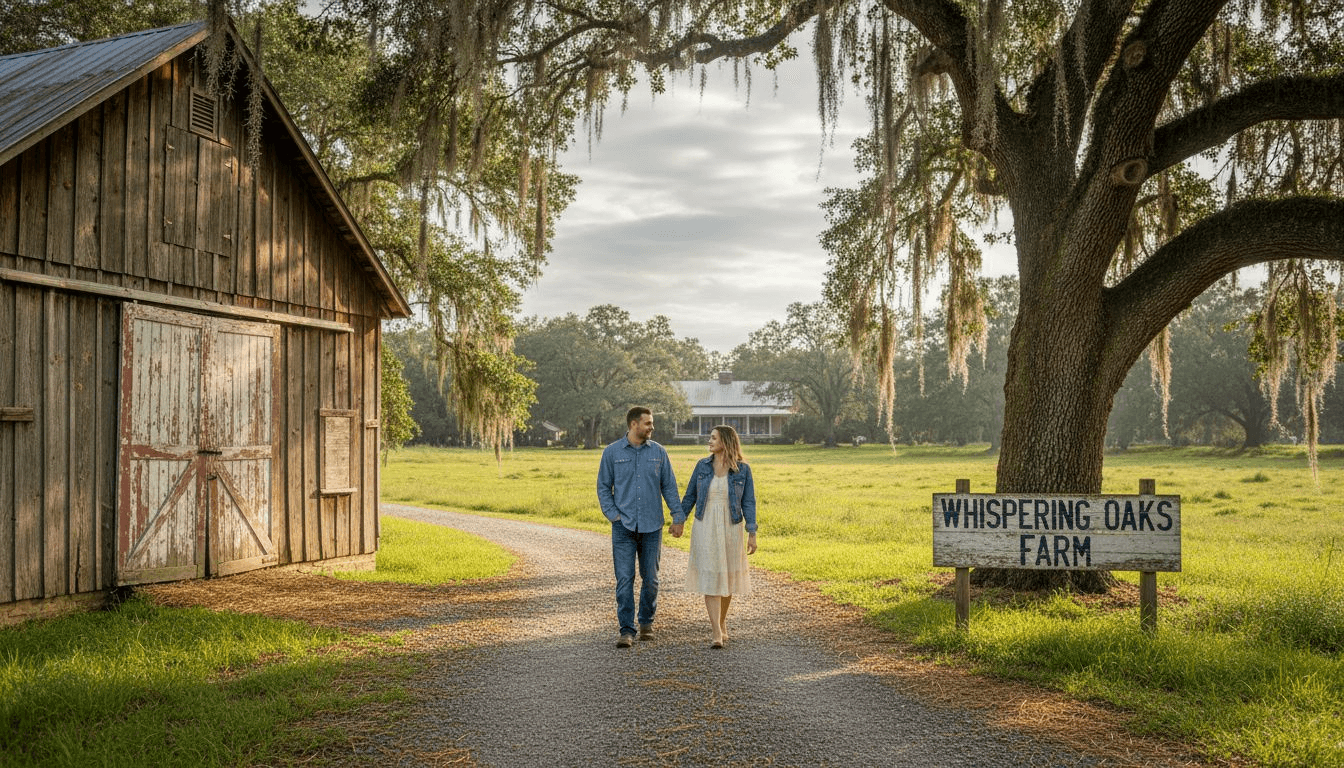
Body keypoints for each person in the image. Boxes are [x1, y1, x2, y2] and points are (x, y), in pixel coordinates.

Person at [597, 406, 681, 648]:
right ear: (634, 424)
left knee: (651, 579)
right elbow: (604, 487)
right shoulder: (612, 453)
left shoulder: (659, 452)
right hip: (623, 527)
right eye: (648, 423)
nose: (652, 427)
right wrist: (613, 515)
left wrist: (677, 516)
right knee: (624, 579)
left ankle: (646, 623)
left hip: (652, 525)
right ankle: (626, 630)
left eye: (651, 423)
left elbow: (669, 487)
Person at [671, 424, 757, 648]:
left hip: (731, 526)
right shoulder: (702, 466)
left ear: (725, 442)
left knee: (727, 577)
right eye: (710, 438)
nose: (709, 441)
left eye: (713, 438)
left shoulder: (743, 470)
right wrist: (679, 520)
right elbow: (689, 495)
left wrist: (752, 533)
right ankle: (716, 631)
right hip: (705, 525)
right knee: (712, 576)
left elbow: (748, 502)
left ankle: (722, 622)